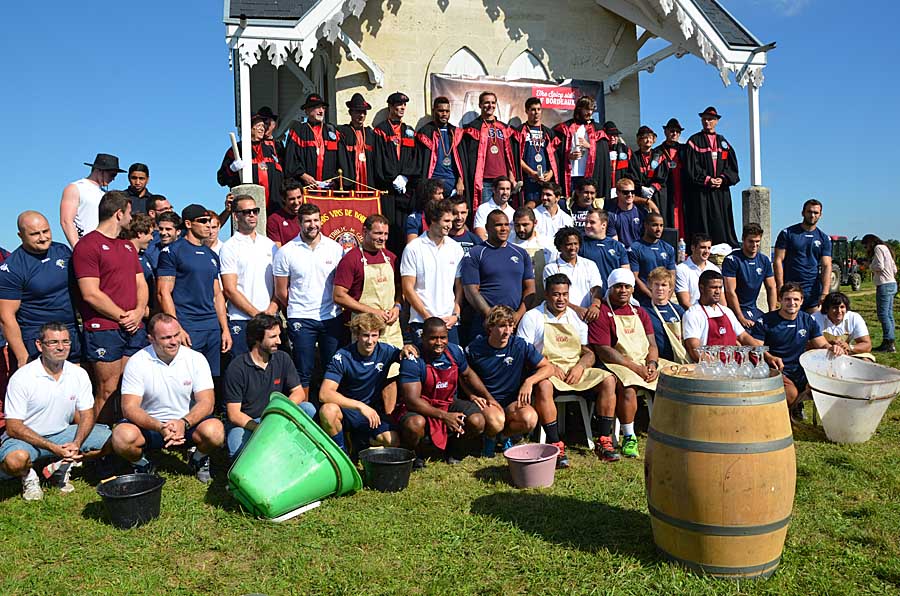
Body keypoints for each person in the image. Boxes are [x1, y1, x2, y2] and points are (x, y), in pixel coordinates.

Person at [0, 323, 112, 500]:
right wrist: (52, 447)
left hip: (63, 434)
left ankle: (59, 466)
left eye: (65, 342)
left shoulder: (78, 374)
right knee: (15, 461)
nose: (61, 347)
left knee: (116, 440)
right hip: (27, 439)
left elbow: (87, 413)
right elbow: (13, 427)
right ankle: (28, 476)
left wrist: (77, 442)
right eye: (53, 342)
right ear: (39, 345)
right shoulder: (22, 378)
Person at [111, 314, 225, 482]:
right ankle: (142, 463)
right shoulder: (137, 362)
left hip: (187, 425)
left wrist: (183, 423)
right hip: (150, 426)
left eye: (176, 335)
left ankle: (198, 458)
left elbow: (207, 402)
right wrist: (159, 427)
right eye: (166, 338)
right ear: (151, 339)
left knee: (215, 431)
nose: (174, 341)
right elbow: (129, 407)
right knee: (121, 437)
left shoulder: (196, 359)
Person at [518, 275, 617, 467]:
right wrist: (548, 367)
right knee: (544, 386)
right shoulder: (533, 317)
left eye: (565, 294)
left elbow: (588, 352)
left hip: (574, 369)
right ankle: (555, 443)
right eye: (556, 294)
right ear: (546, 294)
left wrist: (581, 366)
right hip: (547, 370)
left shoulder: (575, 317)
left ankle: (604, 439)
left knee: (608, 379)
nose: (561, 299)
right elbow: (524, 352)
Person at [72, 191, 149, 422]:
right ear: (119, 213)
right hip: (104, 328)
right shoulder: (87, 245)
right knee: (107, 389)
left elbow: (141, 283)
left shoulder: (126, 246)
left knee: (130, 387)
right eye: (128, 212)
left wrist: (137, 312)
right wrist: (123, 316)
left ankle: (123, 440)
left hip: (134, 326)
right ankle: (97, 448)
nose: (131, 217)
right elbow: (90, 293)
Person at [588, 269, 675, 459]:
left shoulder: (640, 312)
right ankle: (629, 435)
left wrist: (652, 363)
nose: (623, 290)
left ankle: (675, 427)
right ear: (610, 288)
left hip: (643, 360)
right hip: (616, 362)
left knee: (677, 374)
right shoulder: (602, 312)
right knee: (629, 386)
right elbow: (604, 350)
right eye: (618, 286)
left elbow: (652, 344)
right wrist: (635, 368)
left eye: (627, 286)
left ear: (633, 289)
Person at [396, 317, 504, 466]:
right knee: (415, 424)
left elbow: (468, 374)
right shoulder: (413, 359)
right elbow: (412, 401)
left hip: (448, 402)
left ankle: (455, 450)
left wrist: (488, 397)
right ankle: (415, 454)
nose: (439, 343)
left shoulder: (454, 351)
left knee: (477, 421)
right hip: (422, 407)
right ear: (423, 337)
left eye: (443, 337)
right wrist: (444, 416)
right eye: (433, 338)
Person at [318, 314, 416, 454]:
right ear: (357, 335)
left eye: (374, 335)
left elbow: (402, 354)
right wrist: (360, 406)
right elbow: (325, 394)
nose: (370, 341)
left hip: (372, 413)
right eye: (365, 335)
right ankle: (342, 454)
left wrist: (407, 348)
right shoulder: (343, 356)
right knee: (328, 410)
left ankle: (360, 442)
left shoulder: (385, 351)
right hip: (347, 410)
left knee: (392, 441)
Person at [465, 305, 555, 456]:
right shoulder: (475, 348)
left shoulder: (519, 345)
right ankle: (489, 437)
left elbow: (548, 368)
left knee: (530, 419)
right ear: (490, 327)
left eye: (510, 325)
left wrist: (529, 382)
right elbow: (462, 375)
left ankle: (504, 436)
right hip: (488, 402)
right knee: (496, 421)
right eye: (501, 326)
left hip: (512, 403)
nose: (507, 331)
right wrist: (471, 395)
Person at [274, 203, 345, 392]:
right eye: (307, 221)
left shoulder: (335, 249)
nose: (312, 225)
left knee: (333, 369)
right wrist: (298, 307)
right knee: (302, 371)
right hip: (301, 317)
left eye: (315, 220)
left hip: (331, 316)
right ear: (299, 223)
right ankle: (303, 416)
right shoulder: (286, 252)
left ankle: (329, 414)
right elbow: (281, 291)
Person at [223, 314, 315, 460]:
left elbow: (299, 393)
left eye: (279, 336)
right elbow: (234, 414)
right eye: (273, 337)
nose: (279, 341)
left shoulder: (283, 358)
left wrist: (280, 414)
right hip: (250, 423)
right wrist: (261, 429)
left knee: (308, 408)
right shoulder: (237, 368)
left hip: (277, 418)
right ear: (257, 339)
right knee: (236, 450)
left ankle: (294, 451)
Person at [157, 204, 231, 377]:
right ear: (189, 224)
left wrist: (224, 329)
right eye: (203, 221)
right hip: (187, 325)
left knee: (210, 379)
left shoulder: (211, 255)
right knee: (185, 379)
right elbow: (163, 293)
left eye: (210, 221)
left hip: (212, 327)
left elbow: (217, 294)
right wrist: (176, 329)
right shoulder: (172, 252)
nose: (208, 225)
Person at [0, 211, 82, 368]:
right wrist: (22, 356)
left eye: (46, 231)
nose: (43, 238)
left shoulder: (62, 251)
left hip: (70, 332)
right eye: (35, 234)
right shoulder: (12, 268)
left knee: (74, 387)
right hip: (38, 337)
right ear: (21, 235)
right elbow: (6, 317)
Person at [749, 283, 836, 416]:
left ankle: (802, 409)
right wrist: (769, 357)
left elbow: (821, 344)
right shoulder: (765, 321)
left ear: (801, 301)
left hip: (800, 369)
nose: (792, 303)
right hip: (775, 370)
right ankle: (780, 415)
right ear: (780, 300)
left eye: (796, 299)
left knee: (826, 387)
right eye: (787, 299)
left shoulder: (807, 320)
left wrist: (832, 348)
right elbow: (756, 348)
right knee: (791, 394)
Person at [333, 213, 403, 375]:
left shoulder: (391, 258)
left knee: (394, 370)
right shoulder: (351, 259)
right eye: (378, 233)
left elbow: (400, 288)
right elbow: (339, 295)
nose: (382, 238)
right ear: (364, 232)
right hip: (364, 329)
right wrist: (374, 312)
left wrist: (397, 306)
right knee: (366, 372)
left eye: (385, 234)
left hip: (391, 326)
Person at [219, 195, 278, 355]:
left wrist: (272, 309)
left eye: (255, 210)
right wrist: (257, 315)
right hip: (242, 319)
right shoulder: (229, 247)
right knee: (243, 370)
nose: (252, 215)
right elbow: (230, 289)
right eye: (246, 212)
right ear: (236, 216)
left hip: (270, 317)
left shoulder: (270, 245)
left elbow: (279, 283)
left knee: (272, 370)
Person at [401, 199, 464, 344]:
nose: (450, 225)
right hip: (421, 321)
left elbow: (459, 285)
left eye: (451, 221)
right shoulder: (413, 248)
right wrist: (427, 317)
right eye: (446, 221)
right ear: (433, 220)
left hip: (449, 322)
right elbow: (407, 288)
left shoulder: (455, 248)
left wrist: (456, 314)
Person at [462, 211, 535, 332]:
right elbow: (471, 291)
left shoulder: (521, 253)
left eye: (507, 225)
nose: (504, 229)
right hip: (485, 322)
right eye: (498, 225)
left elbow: (530, 289)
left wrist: (518, 315)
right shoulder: (475, 253)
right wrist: (490, 315)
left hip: (514, 322)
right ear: (487, 228)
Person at [683, 106, 740, 246]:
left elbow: (732, 168)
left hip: (720, 192)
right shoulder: (693, 141)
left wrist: (722, 178)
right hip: (701, 192)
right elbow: (691, 168)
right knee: (701, 223)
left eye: (710, 119)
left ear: (716, 121)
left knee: (722, 223)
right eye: (704, 119)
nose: (707, 122)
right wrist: (707, 179)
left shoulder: (724, 143)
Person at [374, 92, 421, 257]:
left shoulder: (409, 131)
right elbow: (379, 159)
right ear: (390, 107)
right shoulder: (380, 131)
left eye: (404, 105)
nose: (401, 108)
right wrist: (393, 177)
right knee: (388, 228)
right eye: (398, 105)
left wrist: (406, 176)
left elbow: (416, 158)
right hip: (388, 190)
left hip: (405, 191)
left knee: (404, 229)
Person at [459, 91, 518, 212]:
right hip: (484, 181)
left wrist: (511, 176)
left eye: (492, 102)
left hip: (503, 180)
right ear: (480, 105)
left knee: (502, 213)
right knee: (485, 214)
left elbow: (509, 156)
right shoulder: (472, 128)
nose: (490, 105)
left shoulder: (504, 128)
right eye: (486, 102)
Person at [682, 270, 756, 362]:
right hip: (710, 370)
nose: (718, 291)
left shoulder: (727, 311)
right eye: (713, 287)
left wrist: (766, 355)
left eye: (720, 288)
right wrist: (717, 367)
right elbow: (694, 349)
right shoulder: (693, 314)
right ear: (701, 288)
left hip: (733, 365)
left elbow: (743, 337)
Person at [217, 109, 284, 211]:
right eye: (258, 126)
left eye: (263, 126)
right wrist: (231, 169)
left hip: (275, 206)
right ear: (249, 128)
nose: (262, 129)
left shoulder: (273, 148)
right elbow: (221, 178)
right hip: (249, 208)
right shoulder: (237, 149)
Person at [774, 199, 832, 313]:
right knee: (790, 324)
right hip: (791, 288)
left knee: (813, 326)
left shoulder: (824, 238)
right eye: (809, 212)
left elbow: (827, 265)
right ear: (803, 213)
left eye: (816, 213)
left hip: (813, 291)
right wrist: (780, 286)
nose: (812, 215)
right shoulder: (787, 233)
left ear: (821, 215)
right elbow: (778, 260)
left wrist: (825, 292)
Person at [60, 153, 125, 247]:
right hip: (86, 245)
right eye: (112, 174)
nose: (113, 179)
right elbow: (66, 221)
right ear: (99, 170)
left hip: (105, 248)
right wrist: (78, 248)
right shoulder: (76, 188)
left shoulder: (106, 194)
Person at [552, 96, 609, 199]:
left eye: (592, 110)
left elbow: (603, 155)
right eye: (587, 109)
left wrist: (590, 146)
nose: (590, 113)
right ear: (579, 108)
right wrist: (567, 156)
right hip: (571, 174)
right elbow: (555, 152)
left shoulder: (598, 129)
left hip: (590, 176)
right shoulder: (565, 128)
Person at [723, 223, 776, 328]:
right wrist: (740, 317)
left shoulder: (764, 260)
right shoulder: (732, 260)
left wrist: (773, 314)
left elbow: (771, 287)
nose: (754, 245)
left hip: (753, 308)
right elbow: (730, 291)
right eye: (751, 241)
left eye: (757, 241)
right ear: (743, 239)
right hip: (736, 309)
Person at [543, 228, 603, 321]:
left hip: (587, 316)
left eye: (575, 244)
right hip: (562, 318)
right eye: (568, 244)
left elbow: (596, 288)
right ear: (559, 247)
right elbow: (553, 296)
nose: (573, 248)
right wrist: (576, 309)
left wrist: (595, 305)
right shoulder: (550, 268)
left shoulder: (590, 264)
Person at [284, 93, 340, 187]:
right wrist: (303, 175)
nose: (321, 111)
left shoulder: (333, 131)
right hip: (305, 188)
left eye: (323, 108)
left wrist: (336, 178)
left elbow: (341, 160)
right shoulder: (298, 132)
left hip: (329, 189)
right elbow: (291, 160)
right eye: (317, 107)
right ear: (307, 111)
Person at [416, 96, 465, 198]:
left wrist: (460, 181)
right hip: (433, 183)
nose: (444, 114)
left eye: (447, 111)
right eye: (441, 111)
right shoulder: (425, 133)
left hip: (453, 184)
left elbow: (462, 162)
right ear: (434, 111)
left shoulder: (456, 133)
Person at [515, 97, 558, 207]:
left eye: (539, 109)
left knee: (545, 208)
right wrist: (531, 173)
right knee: (529, 208)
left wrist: (551, 173)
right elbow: (515, 158)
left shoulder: (548, 132)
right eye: (533, 109)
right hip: (528, 180)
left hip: (545, 180)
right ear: (526, 111)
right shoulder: (519, 131)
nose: (536, 113)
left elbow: (555, 157)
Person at [643, 267, 689, 364]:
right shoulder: (643, 311)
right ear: (650, 286)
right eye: (656, 284)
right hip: (658, 361)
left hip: (680, 360)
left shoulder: (678, 310)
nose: (660, 288)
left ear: (670, 288)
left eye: (664, 285)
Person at [628, 212, 676, 306]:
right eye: (655, 225)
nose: (659, 229)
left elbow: (672, 277)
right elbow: (635, 277)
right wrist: (652, 296)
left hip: (664, 299)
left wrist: (666, 298)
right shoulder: (635, 248)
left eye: (661, 225)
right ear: (645, 225)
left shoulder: (668, 248)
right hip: (643, 300)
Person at [511, 207, 555, 304]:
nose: (521, 229)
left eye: (525, 225)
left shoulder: (547, 243)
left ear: (535, 223)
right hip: (516, 298)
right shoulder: (508, 243)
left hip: (542, 299)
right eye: (517, 225)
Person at [627, 126, 670, 226]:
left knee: (657, 220)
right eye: (645, 137)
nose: (648, 140)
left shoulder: (660, 155)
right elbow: (631, 174)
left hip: (656, 194)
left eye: (651, 137)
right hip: (640, 194)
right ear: (639, 140)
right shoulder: (634, 157)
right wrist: (641, 188)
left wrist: (653, 188)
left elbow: (663, 175)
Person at [813, 292, 874, 361]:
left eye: (842, 307)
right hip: (821, 354)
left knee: (866, 360)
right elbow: (808, 344)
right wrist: (829, 345)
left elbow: (867, 345)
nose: (839, 311)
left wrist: (850, 347)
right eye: (835, 308)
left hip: (846, 353)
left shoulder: (854, 317)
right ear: (827, 309)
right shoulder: (815, 319)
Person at [863, 234, 897, 352]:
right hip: (892, 283)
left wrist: (869, 266)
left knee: (883, 314)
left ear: (870, 243)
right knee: (889, 314)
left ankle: (888, 342)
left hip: (884, 284)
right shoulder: (886, 248)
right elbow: (894, 269)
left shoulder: (878, 248)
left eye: (866, 246)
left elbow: (879, 266)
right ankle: (890, 341)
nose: (866, 249)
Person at [337, 93, 378, 191]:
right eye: (358, 112)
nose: (362, 115)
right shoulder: (342, 133)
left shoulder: (371, 134)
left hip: (369, 182)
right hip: (350, 183)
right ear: (350, 112)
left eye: (364, 112)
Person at [119, 213, 157, 315]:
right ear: (140, 233)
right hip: (135, 318)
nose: (152, 238)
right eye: (150, 234)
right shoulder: (122, 256)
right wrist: (145, 312)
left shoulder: (144, 256)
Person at [579, 208, 630, 283]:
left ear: (603, 225)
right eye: (586, 222)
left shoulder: (617, 246)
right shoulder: (579, 244)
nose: (587, 225)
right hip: (588, 293)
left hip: (611, 293)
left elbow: (625, 274)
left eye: (592, 222)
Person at [656, 118, 687, 235]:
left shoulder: (685, 150)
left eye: (677, 131)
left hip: (682, 190)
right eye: (671, 130)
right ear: (665, 132)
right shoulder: (658, 151)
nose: (674, 133)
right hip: (665, 191)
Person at [675, 232, 721, 308]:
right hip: (693, 315)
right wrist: (700, 315)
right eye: (703, 247)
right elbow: (684, 302)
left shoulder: (715, 269)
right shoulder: (681, 269)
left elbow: (721, 299)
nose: (706, 251)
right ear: (693, 248)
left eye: (709, 248)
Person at [606, 178, 655, 248]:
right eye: (625, 192)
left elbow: (647, 238)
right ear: (617, 193)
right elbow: (614, 242)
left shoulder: (642, 213)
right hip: (622, 253)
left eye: (632, 192)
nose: (630, 195)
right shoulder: (611, 215)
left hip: (640, 251)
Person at [472, 176, 516, 240]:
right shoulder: (483, 209)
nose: (505, 192)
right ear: (494, 190)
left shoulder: (513, 212)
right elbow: (480, 233)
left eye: (508, 189)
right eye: (502, 189)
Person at [405, 179, 445, 243]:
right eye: (439, 194)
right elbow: (411, 247)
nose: (442, 197)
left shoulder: (445, 215)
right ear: (428, 196)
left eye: (442, 193)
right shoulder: (414, 219)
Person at [266, 180, 303, 248]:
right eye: (292, 199)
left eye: (299, 197)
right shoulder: (274, 220)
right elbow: (276, 249)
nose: (297, 202)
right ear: (283, 199)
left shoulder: (307, 215)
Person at [603, 121, 632, 199]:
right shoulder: (600, 151)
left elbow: (631, 171)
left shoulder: (626, 150)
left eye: (615, 135)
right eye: (609, 135)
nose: (612, 137)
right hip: (604, 191)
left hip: (622, 191)